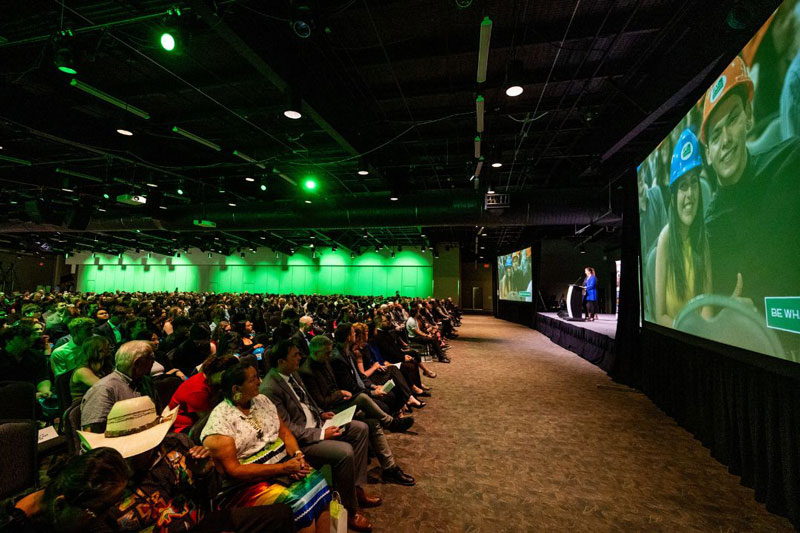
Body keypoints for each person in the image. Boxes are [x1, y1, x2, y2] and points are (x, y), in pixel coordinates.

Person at [78, 396, 295, 532]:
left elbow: (212, 494)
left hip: (203, 521)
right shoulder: (109, 479)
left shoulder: (176, 444)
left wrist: (204, 473)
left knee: (282, 515)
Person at [702, 55, 800, 334]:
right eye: (715, 135)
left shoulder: (791, 164)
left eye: (733, 119)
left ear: (749, 116)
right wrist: (728, 317)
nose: (725, 141)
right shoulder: (709, 232)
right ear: (708, 154)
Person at [260, 340, 377, 532]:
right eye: (295, 355)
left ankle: (354, 490)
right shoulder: (269, 388)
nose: (300, 357)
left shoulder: (292, 373)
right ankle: (349, 510)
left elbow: (307, 402)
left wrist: (321, 414)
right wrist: (321, 433)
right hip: (302, 441)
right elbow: (287, 428)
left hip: (318, 423)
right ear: (281, 361)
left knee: (360, 428)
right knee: (345, 452)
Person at [201, 363, 332, 533]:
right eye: (252, 379)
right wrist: (282, 469)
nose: (259, 381)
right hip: (248, 484)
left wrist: (298, 456)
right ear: (236, 389)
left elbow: (284, 433)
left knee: (319, 484)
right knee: (298, 503)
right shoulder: (220, 422)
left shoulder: (262, 400)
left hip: (283, 465)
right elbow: (235, 470)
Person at [300, 335, 416, 486]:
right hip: (329, 412)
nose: (330, 355)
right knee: (362, 398)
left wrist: (341, 394)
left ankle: (390, 468)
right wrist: (340, 394)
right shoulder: (307, 371)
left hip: (338, 404)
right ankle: (390, 422)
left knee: (373, 422)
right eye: (327, 353)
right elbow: (321, 402)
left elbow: (336, 386)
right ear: (315, 352)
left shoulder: (325, 361)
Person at [654, 129, 712, 327]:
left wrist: (702, 334)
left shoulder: (702, 238)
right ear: (674, 195)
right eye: (683, 186)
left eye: (694, 183)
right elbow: (660, 315)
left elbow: (707, 307)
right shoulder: (665, 239)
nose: (690, 194)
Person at [1, 447, 131, 532]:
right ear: (60, 505)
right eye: (101, 509)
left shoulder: (65, 505)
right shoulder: (15, 527)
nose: (106, 515)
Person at [81, 340, 156, 432]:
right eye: (151, 359)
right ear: (137, 363)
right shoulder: (104, 389)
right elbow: (91, 433)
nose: (153, 362)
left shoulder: (145, 381)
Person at [168, 353, 237, 434]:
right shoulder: (198, 391)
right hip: (184, 427)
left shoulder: (209, 380)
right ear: (222, 373)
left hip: (198, 419)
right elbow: (208, 420)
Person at [0, 322, 52, 399]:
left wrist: (45, 391)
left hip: (33, 399)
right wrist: (28, 396)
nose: (29, 339)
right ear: (9, 341)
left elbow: (43, 377)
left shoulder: (37, 356)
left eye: (29, 336)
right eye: (23, 337)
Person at [70, 335, 114, 402]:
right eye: (106, 347)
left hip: (100, 401)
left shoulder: (105, 366)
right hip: (83, 405)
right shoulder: (82, 371)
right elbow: (103, 387)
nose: (110, 348)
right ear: (96, 351)